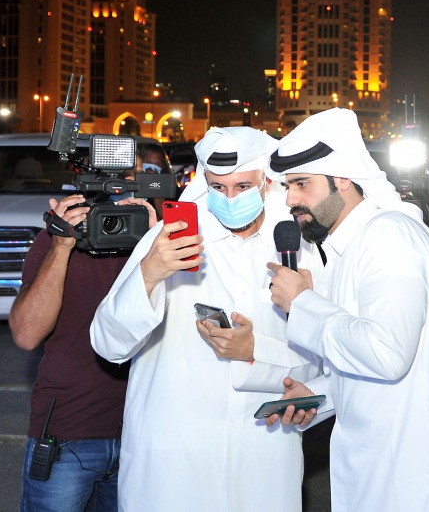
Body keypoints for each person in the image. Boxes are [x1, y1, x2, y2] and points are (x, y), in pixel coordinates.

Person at [265, 107, 429, 512]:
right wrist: (319, 394)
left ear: (344, 179)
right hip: (383, 458)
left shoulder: (389, 236)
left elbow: (387, 354)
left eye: (301, 184)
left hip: (414, 467)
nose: (290, 199)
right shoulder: (352, 245)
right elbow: (365, 354)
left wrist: (301, 303)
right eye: (287, 186)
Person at [90, 127, 325, 512]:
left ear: (267, 183)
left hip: (261, 449)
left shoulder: (296, 249)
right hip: (174, 455)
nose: (230, 198)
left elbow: (323, 359)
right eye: (217, 188)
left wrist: (255, 351)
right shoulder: (169, 242)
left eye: (243, 186)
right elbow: (108, 344)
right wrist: (148, 273)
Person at [9, 153, 159, 511]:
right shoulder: (57, 238)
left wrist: (154, 239)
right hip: (69, 434)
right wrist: (61, 244)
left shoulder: (157, 238)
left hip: (144, 432)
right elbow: (26, 334)